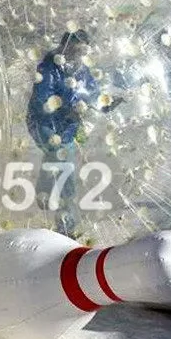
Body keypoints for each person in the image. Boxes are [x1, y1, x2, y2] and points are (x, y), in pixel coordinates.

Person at [26, 30, 123, 237]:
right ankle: (66, 226)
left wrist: (107, 104)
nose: (79, 55)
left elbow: (93, 94)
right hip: (44, 124)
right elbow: (42, 100)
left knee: (56, 158)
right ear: (66, 46)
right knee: (64, 167)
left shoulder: (82, 70)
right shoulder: (49, 67)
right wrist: (66, 108)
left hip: (68, 126)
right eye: (76, 49)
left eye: (83, 51)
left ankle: (43, 192)